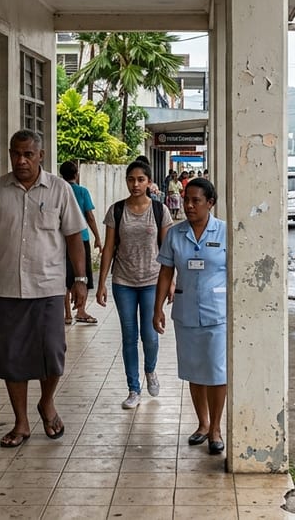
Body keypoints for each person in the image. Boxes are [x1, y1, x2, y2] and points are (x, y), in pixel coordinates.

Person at [0, 130, 88, 448]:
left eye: (28, 154)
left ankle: (46, 402)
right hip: (6, 289)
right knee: (11, 358)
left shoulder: (60, 190)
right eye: (16, 154)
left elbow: (74, 237)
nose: (21, 161)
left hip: (47, 287)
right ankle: (20, 422)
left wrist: (81, 280)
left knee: (53, 353)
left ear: (41, 155)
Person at [153, 177, 228, 455]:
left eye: (196, 200)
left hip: (217, 312)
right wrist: (157, 307)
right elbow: (166, 272)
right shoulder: (175, 234)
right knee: (195, 370)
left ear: (210, 203)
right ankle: (203, 424)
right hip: (185, 312)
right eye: (186, 200)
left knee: (217, 371)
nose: (189, 205)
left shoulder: (224, 232)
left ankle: (217, 428)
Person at [96, 160, 173, 409]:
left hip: (152, 281)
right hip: (123, 281)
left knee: (150, 335)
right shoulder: (117, 210)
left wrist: (171, 282)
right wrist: (101, 284)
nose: (136, 184)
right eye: (131, 179)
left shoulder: (160, 211)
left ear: (149, 182)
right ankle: (133, 388)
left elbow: (168, 251)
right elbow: (108, 248)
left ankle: (150, 370)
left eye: (141, 179)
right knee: (129, 336)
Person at [60, 160, 103, 324]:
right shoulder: (82, 191)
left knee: (64, 277)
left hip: (63, 239)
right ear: (76, 174)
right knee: (81, 276)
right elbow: (90, 216)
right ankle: (81, 311)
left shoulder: (60, 190)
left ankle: (67, 315)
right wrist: (98, 238)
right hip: (81, 238)